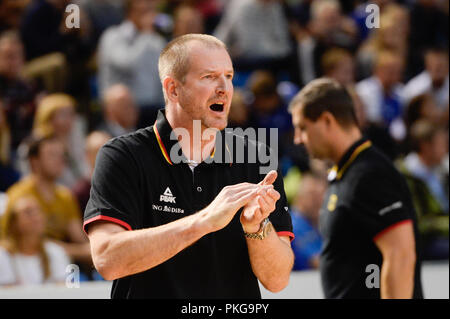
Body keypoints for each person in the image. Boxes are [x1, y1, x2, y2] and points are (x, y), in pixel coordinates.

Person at [84, 34, 294, 299]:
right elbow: (107, 259)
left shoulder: (255, 156)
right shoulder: (124, 155)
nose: (225, 88)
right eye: (209, 77)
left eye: (228, 76)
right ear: (173, 89)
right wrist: (205, 221)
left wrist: (256, 229)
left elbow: (277, 280)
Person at [289, 78, 423, 299]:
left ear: (326, 120)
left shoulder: (370, 174)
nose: (297, 139)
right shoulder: (346, 173)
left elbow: (400, 255)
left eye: (302, 128)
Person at [6, 135, 91, 266]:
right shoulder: (19, 195)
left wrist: (59, 251)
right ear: (34, 162)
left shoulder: (65, 196)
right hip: (25, 265)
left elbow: (84, 245)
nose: (60, 160)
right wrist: (59, 250)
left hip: (62, 266)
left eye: (61, 155)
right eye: (52, 155)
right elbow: (13, 242)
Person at [98, 0, 166, 128]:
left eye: (151, 10)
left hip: (153, 108)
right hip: (121, 111)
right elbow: (128, 64)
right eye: (144, 11)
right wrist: (146, 34)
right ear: (131, 12)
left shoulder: (156, 40)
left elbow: (161, 75)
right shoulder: (113, 36)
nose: (150, 16)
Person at [0, 196, 71, 286]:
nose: (36, 216)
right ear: (13, 222)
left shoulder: (55, 251)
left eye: (39, 211)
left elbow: (64, 290)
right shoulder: (3, 255)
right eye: (28, 212)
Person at [290, 172, 326, 271]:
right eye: (312, 195)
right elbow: (314, 262)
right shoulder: (292, 225)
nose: (318, 201)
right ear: (299, 197)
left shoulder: (317, 223)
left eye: (321, 195)